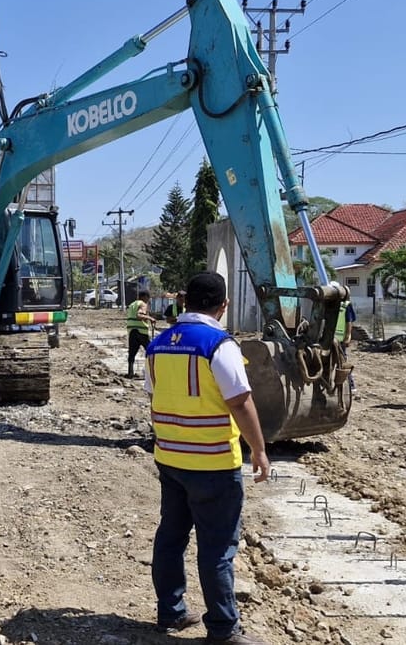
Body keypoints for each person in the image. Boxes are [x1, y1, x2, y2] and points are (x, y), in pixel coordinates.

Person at [143, 271, 270, 645]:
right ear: (224, 305)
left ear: (183, 302)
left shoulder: (159, 344)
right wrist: (259, 449)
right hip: (213, 462)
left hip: (170, 458)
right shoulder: (219, 344)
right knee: (216, 548)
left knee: (171, 537)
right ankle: (223, 629)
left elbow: (154, 396)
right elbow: (240, 402)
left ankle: (170, 612)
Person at [126, 290, 154, 378]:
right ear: (145, 297)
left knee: (132, 352)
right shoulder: (142, 304)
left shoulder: (132, 305)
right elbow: (139, 315)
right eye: (148, 298)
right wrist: (150, 318)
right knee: (151, 351)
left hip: (132, 331)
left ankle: (130, 372)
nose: (148, 300)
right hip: (141, 332)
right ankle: (153, 371)